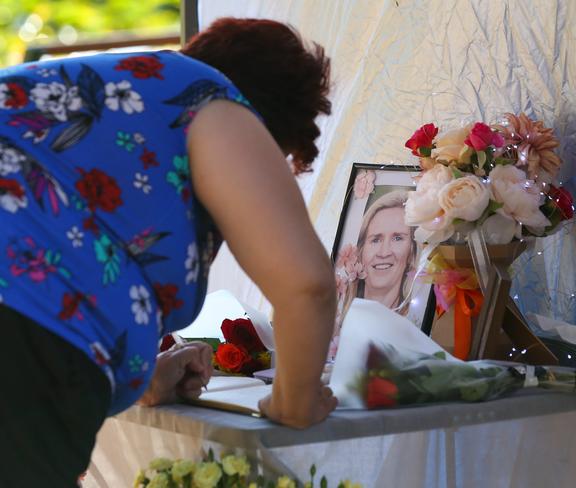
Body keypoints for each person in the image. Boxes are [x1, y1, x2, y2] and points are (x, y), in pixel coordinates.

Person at [0, 17, 337, 486]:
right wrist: (293, 402)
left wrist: (144, 378)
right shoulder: (212, 99)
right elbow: (307, 286)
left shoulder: (118, 89)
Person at [336, 190, 417, 334]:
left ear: (411, 251)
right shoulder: (336, 319)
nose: (384, 252)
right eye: (375, 239)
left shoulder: (414, 323)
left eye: (397, 238)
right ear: (360, 251)